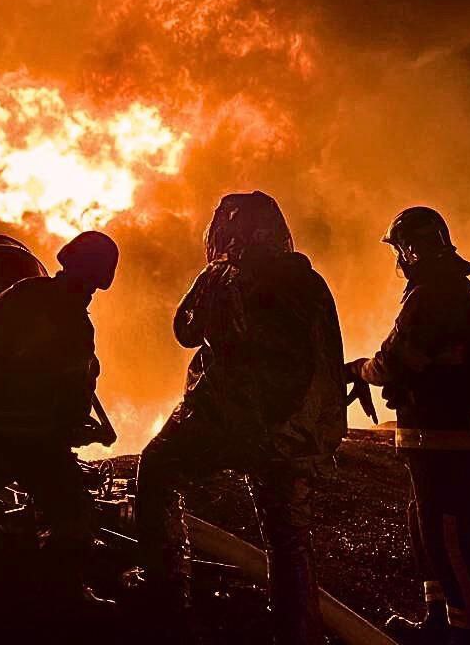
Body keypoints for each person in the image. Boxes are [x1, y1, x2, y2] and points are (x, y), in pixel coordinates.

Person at [136, 191, 348, 645]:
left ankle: (167, 602)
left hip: (229, 422)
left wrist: (210, 279)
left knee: (156, 468)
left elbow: (185, 330)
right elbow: (326, 358)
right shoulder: (309, 281)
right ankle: (298, 634)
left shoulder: (222, 276)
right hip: (294, 433)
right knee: (289, 539)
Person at [345, 207, 470, 644]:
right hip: (437, 435)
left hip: (449, 438)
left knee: (447, 534)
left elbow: (393, 359)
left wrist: (357, 370)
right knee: (425, 524)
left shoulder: (433, 293)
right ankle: (441, 620)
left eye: (400, 250)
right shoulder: (445, 288)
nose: (399, 260)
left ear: (412, 250)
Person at [0, 230, 119, 603]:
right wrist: (85, 433)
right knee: (72, 511)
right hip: (15, 426)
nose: (91, 292)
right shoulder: (75, 326)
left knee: (15, 451)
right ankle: (65, 594)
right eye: (93, 284)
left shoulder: (20, 292)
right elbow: (65, 419)